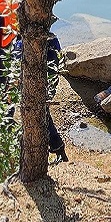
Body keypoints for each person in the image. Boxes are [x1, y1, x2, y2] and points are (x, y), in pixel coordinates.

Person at [11, 32, 68, 163]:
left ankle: (57, 147)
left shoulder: (27, 41)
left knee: (41, 115)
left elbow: (18, 63)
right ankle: (57, 149)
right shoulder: (52, 39)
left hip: (36, 87)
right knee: (41, 115)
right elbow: (56, 64)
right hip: (43, 85)